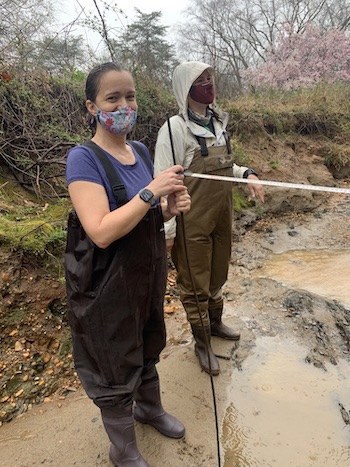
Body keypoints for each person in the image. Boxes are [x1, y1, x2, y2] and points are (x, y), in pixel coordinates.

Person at [64, 62, 191, 467]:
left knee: (148, 342)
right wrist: (153, 193)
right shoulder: (83, 159)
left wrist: (169, 209)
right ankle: (123, 448)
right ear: (91, 106)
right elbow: (100, 230)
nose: (124, 105)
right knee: (114, 360)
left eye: (130, 96)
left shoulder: (138, 151)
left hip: (145, 277)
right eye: (112, 98)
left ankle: (149, 409)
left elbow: (143, 215)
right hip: (105, 286)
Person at [154, 61, 264, 376]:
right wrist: (168, 231)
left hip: (221, 218)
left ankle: (215, 325)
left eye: (210, 78)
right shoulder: (174, 129)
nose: (209, 84)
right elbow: (165, 184)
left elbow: (224, 165)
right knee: (195, 284)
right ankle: (202, 343)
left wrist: (248, 174)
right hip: (191, 223)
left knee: (217, 276)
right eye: (201, 80)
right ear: (186, 88)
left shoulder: (217, 122)